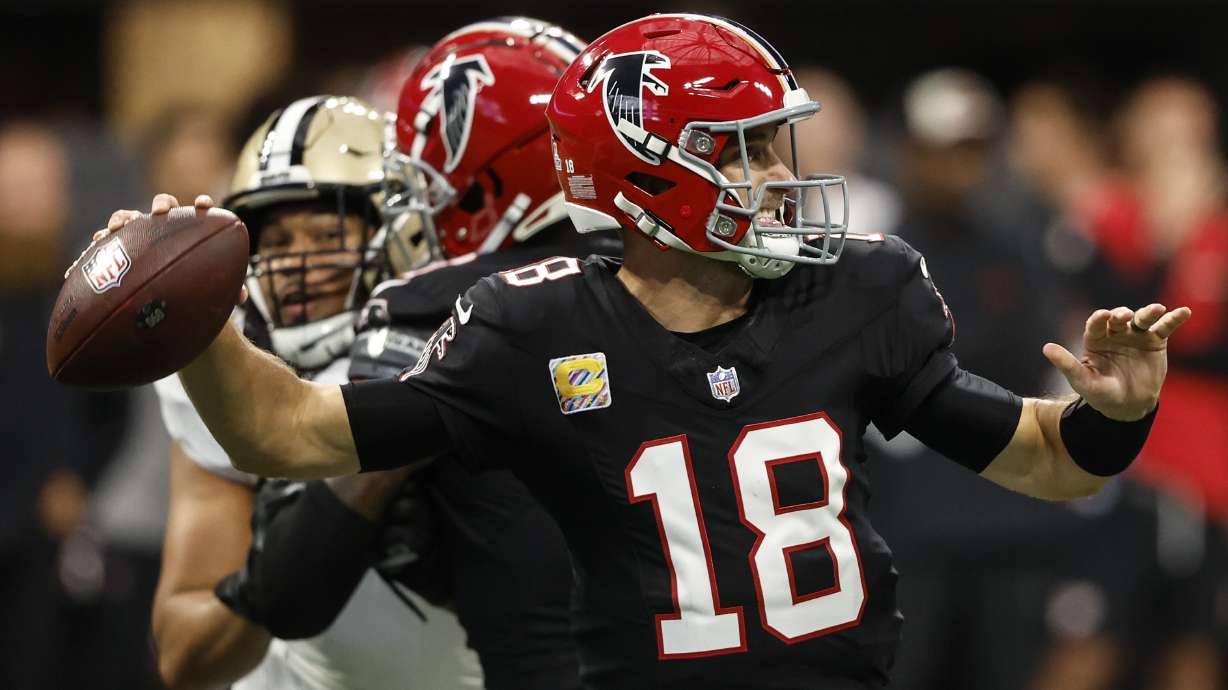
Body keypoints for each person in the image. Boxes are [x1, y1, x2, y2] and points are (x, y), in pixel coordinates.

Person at [105, 14, 1191, 689]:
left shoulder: (859, 288)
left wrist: (1114, 414)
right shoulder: (528, 327)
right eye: (743, 149)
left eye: (778, 141)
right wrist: (195, 324)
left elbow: (1045, 458)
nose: (778, 171)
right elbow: (285, 431)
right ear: (644, 176)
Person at [145, 95, 478, 690]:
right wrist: (275, 576)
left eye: (326, 233)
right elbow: (184, 655)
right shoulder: (228, 371)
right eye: (276, 240)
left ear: (398, 233)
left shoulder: (468, 346)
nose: (294, 265)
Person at [351, 18, 615, 690]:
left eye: (430, 187)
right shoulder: (680, 278)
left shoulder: (445, 313)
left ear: (484, 187)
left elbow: (288, 594)